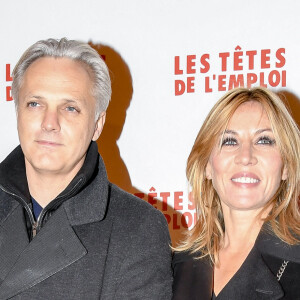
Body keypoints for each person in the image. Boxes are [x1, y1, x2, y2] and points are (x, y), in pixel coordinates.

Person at [0, 38, 172, 299]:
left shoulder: (136, 229)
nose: (50, 123)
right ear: (18, 113)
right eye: (35, 103)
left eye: (70, 108)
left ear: (97, 124)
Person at [172, 87, 300, 299]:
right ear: (207, 166)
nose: (245, 156)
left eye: (264, 140)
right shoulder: (172, 269)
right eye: (229, 141)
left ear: (286, 166)